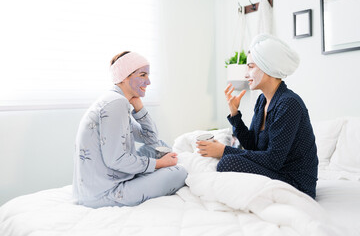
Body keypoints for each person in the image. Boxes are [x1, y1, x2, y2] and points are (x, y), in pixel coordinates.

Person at [196, 34, 318, 199]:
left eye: (251, 67)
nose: (246, 74)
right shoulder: (262, 101)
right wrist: (235, 113)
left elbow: (273, 160)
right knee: (227, 160)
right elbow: (252, 145)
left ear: (268, 67)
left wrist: (223, 151)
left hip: (296, 183)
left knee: (228, 161)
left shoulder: (289, 104)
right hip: (276, 171)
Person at [72, 51, 187, 208]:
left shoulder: (115, 100)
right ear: (125, 77)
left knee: (158, 145)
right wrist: (159, 163)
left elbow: (151, 139)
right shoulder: (116, 104)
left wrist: (138, 107)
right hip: (104, 194)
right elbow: (116, 159)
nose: (149, 82)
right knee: (180, 173)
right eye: (143, 75)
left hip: (103, 183)